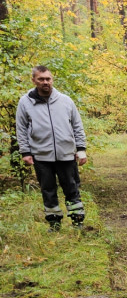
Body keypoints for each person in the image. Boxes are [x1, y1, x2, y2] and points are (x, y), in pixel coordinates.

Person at [15, 65, 88, 231]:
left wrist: (81, 149)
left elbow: (77, 126)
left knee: (72, 188)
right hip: (41, 156)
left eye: (48, 79)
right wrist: (25, 152)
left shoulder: (65, 100)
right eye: (41, 79)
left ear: (52, 80)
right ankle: (54, 224)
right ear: (34, 80)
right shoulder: (25, 102)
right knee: (48, 190)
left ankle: (78, 222)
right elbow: (21, 129)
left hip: (67, 154)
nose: (45, 82)